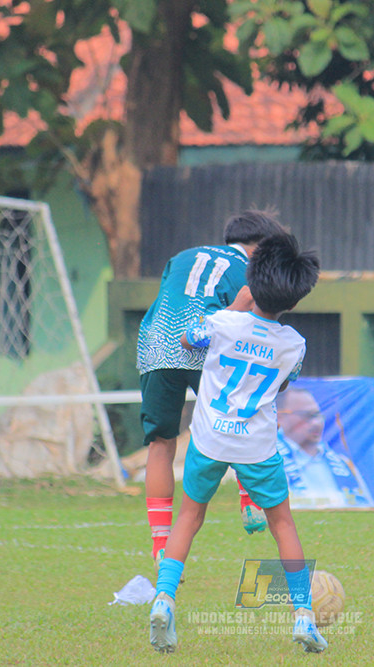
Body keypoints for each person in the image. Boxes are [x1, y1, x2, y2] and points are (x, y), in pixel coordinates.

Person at [149, 232, 327, 654]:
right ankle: (303, 614)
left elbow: (187, 340)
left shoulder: (222, 323)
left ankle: (164, 598)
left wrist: (234, 308)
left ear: (251, 276)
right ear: (294, 299)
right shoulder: (294, 344)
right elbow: (284, 382)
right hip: (256, 447)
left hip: (210, 440)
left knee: (189, 519)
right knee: (282, 524)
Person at [137, 210, 286, 563]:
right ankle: (250, 499)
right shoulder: (250, 269)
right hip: (206, 340)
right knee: (247, 406)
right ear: (259, 248)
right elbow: (250, 311)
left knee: (161, 443)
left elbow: (172, 297)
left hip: (156, 343)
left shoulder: (182, 257)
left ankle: (161, 544)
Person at [277, 387, 374, 508]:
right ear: (279, 418)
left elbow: (367, 509)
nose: (316, 423)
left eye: (318, 415)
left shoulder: (343, 464)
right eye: (306, 416)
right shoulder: (269, 462)